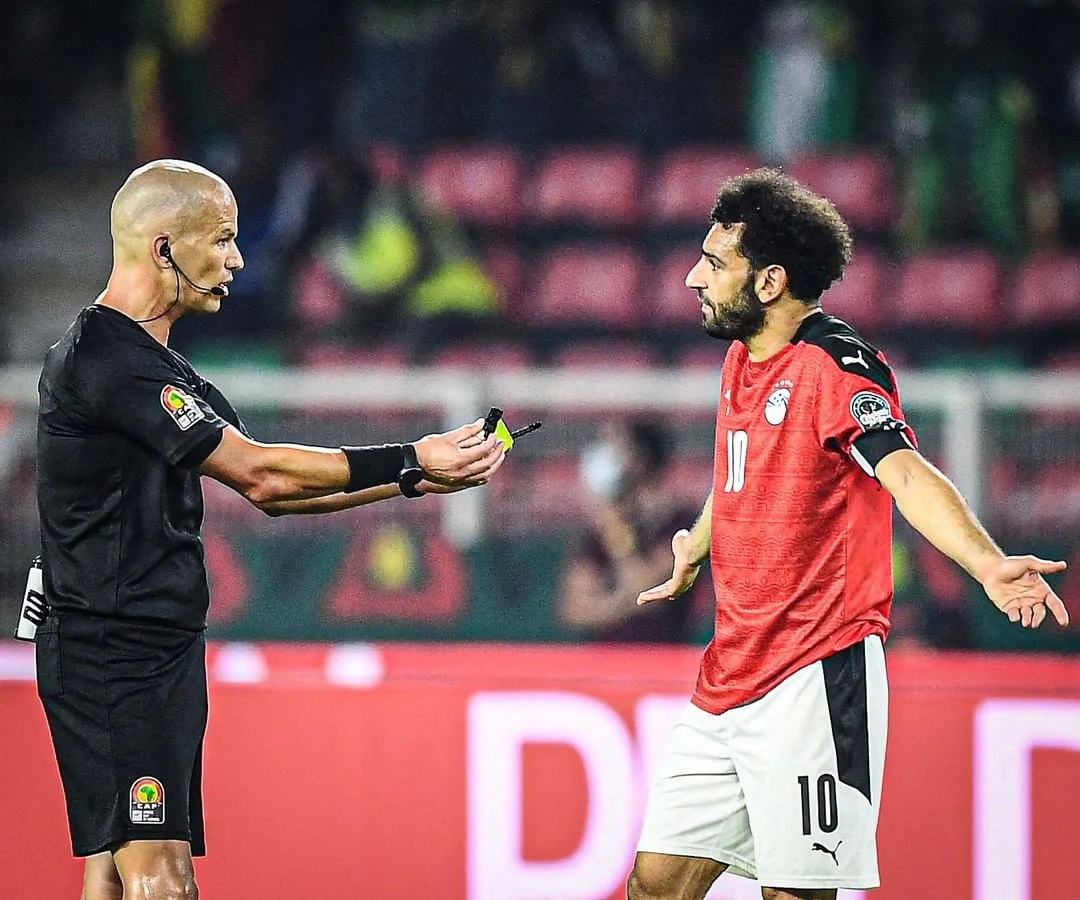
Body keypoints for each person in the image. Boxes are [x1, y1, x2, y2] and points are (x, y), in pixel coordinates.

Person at [34, 158, 505, 900]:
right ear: (164, 248)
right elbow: (262, 473)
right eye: (222, 240)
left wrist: (413, 479)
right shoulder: (109, 361)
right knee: (163, 879)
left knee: (114, 871)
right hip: (113, 650)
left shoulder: (156, 367)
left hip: (143, 646)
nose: (238, 261)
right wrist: (411, 456)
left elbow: (275, 496)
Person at [627, 168, 1069, 900]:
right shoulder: (743, 355)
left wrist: (987, 563)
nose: (691, 278)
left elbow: (906, 473)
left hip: (815, 675)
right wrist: (697, 546)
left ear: (770, 282)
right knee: (655, 882)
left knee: (795, 894)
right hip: (730, 670)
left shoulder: (837, 367)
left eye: (712, 263)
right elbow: (742, 469)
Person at [556, 417, 703, 642]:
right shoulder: (605, 522)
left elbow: (646, 591)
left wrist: (617, 533)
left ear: (640, 459)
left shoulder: (685, 524)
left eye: (616, 450)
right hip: (607, 656)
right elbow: (573, 610)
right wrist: (618, 605)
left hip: (662, 654)